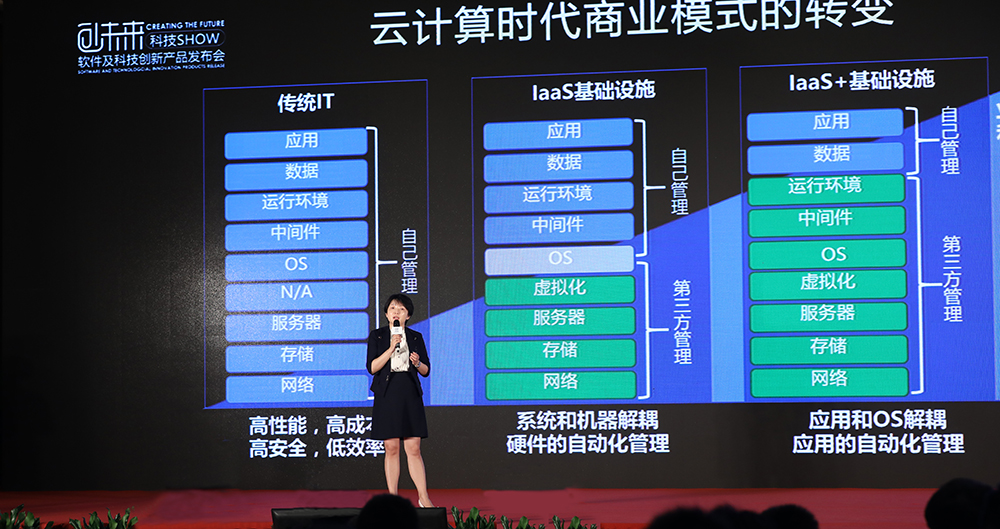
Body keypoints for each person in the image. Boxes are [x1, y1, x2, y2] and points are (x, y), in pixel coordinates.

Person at [367, 293, 434, 508]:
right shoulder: (377, 336)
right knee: (391, 447)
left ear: (408, 315)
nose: (396, 312)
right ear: (387, 314)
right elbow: (372, 367)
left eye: (401, 309)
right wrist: (390, 348)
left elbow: (426, 370)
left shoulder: (415, 337)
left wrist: (417, 363)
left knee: (414, 448)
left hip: (409, 392)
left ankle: (423, 497)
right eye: (393, 309)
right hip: (387, 393)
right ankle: (393, 499)